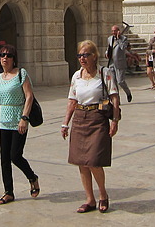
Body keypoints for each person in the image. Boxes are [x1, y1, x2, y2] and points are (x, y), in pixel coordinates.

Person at [60, 40, 120, 214]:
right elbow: (72, 101)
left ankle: (103, 195)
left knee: (94, 161)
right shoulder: (76, 76)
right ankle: (89, 199)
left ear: (94, 56)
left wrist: (115, 120)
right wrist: (65, 123)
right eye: (79, 55)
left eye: (86, 55)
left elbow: (114, 97)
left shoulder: (105, 73)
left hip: (97, 118)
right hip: (80, 117)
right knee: (81, 163)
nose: (82, 58)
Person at [0, 44, 39, 205]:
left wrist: (24, 118)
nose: (4, 58)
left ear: (14, 59)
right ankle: (8, 192)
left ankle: (32, 177)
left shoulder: (21, 74)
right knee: (4, 159)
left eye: (8, 55)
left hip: (18, 120)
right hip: (4, 122)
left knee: (15, 155)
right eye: (2, 55)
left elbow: (29, 97)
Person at [106, 25, 132, 103]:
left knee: (120, 81)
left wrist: (118, 39)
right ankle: (117, 100)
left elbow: (123, 48)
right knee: (113, 82)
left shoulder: (124, 39)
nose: (113, 32)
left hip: (120, 62)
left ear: (118, 31)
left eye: (115, 31)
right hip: (111, 63)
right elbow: (109, 48)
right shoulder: (110, 39)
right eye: (112, 31)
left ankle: (128, 93)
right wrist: (106, 53)